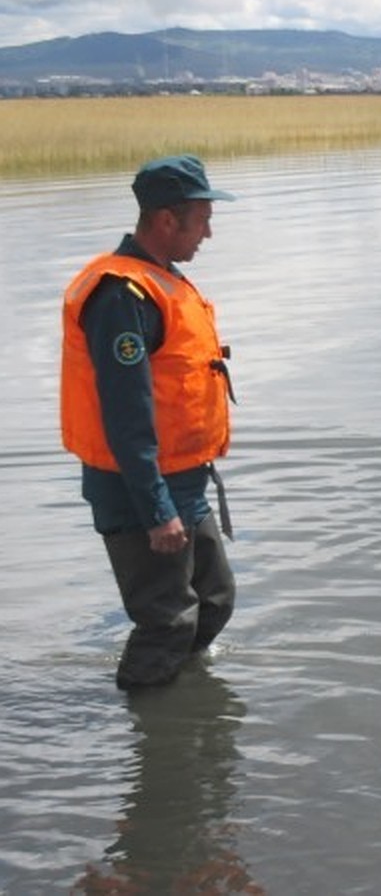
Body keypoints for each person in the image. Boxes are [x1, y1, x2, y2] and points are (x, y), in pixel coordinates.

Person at [60, 154, 238, 691]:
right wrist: (157, 510)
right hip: (139, 490)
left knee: (214, 601)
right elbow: (126, 412)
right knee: (167, 622)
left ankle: (180, 695)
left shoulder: (163, 280)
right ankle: (152, 739)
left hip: (183, 479)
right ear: (166, 220)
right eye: (202, 218)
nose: (208, 232)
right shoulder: (122, 296)